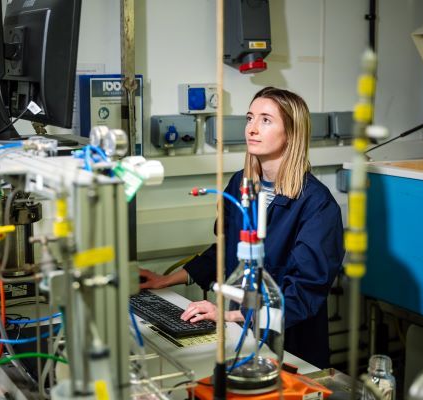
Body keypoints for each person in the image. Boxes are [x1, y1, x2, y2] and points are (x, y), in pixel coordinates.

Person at [139, 87, 344, 368]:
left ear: (292, 133)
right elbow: (226, 251)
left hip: (291, 349)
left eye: (265, 120)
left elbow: (302, 297)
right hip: (240, 338)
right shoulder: (240, 184)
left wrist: (227, 315)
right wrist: (166, 280)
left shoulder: (317, 206)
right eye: (250, 118)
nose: (252, 128)